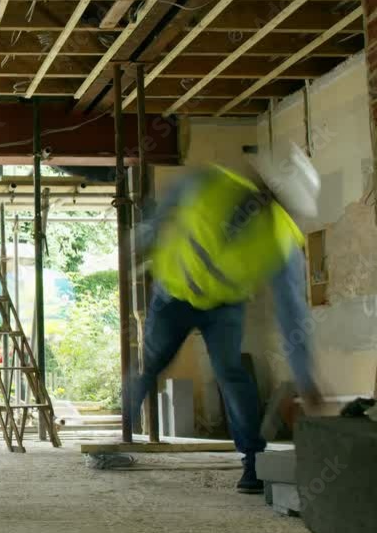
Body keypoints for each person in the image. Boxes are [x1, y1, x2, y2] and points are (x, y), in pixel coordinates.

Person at [132, 142, 324, 494]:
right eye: (266, 191)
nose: (264, 202)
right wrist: (148, 232)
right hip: (173, 294)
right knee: (154, 365)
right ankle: (131, 407)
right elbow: (171, 200)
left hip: (223, 307)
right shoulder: (210, 183)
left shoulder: (282, 241)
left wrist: (304, 379)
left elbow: (292, 313)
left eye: (276, 200)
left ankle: (252, 461)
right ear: (260, 180)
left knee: (231, 374)